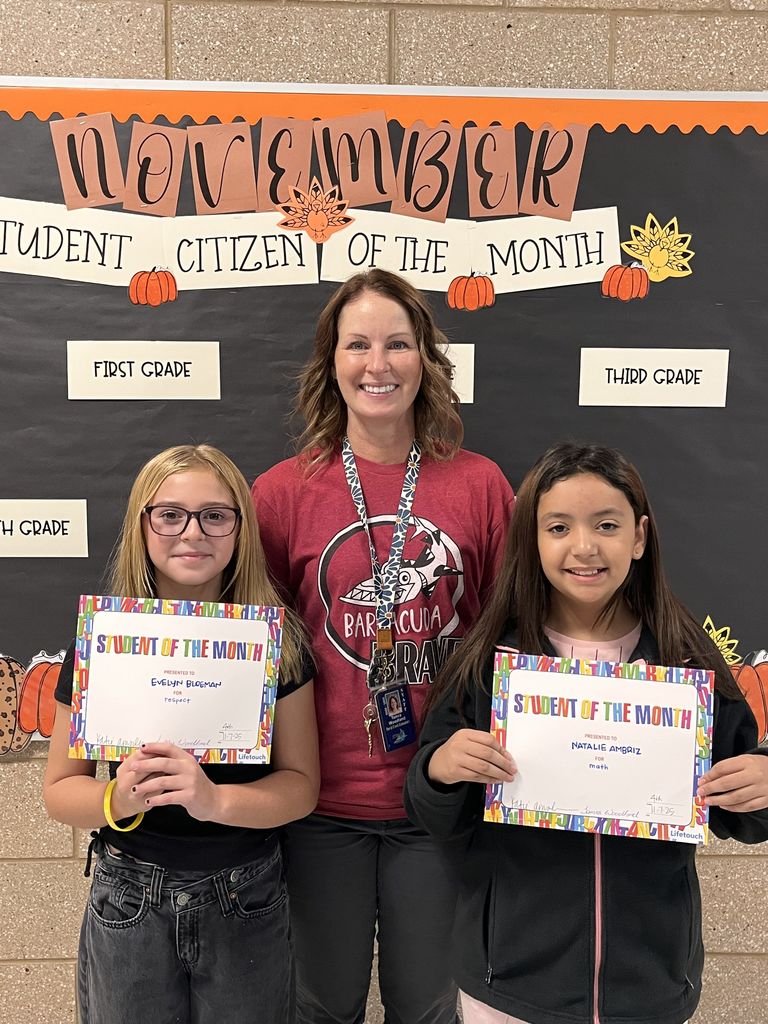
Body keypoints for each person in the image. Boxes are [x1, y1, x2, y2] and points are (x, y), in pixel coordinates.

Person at [405, 441, 768, 1024]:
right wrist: (441, 770)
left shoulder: (686, 659)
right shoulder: (491, 660)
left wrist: (760, 782)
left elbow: (738, 812)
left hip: (649, 983)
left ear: (640, 537)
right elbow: (433, 811)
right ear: (532, 540)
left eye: (607, 525)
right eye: (558, 527)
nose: (584, 547)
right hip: (510, 982)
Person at [252, 269, 514, 1023]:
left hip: (437, 802)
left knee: (428, 1008)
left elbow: (514, 633)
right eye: (358, 344)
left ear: (425, 359)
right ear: (331, 361)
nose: (378, 364)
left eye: (398, 344)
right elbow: (260, 652)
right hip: (317, 805)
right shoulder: (282, 493)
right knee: (320, 1007)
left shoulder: (478, 485)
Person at [43, 444, 319, 1024]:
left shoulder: (278, 646)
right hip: (129, 891)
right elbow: (61, 791)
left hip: (246, 890)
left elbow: (300, 787)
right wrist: (117, 798)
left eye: (215, 515)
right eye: (170, 515)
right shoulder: (103, 644)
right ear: (142, 526)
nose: (193, 532)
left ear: (241, 529)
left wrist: (214, 800)